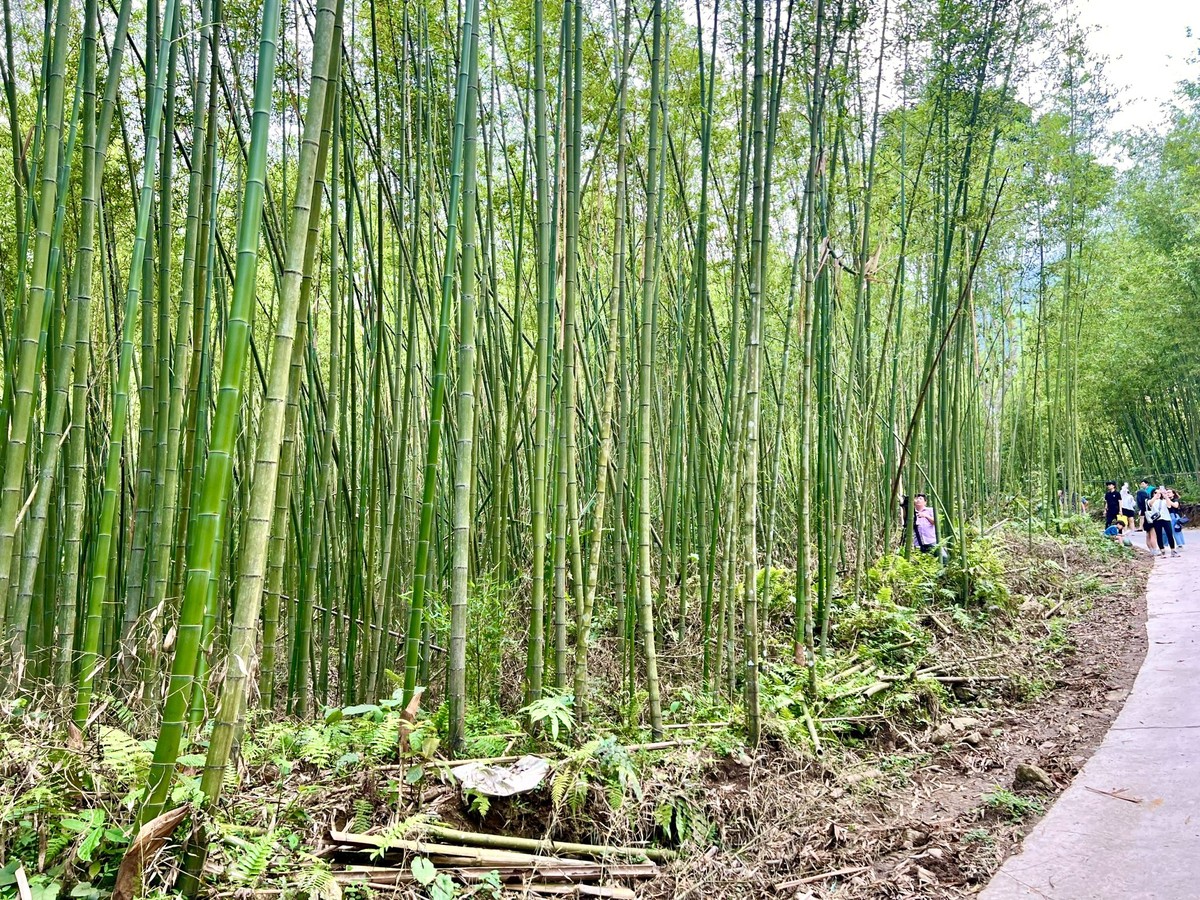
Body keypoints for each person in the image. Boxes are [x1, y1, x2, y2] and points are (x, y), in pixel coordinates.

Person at [1147, 487, 1179, 558]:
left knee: (1169, 534)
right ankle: (1162, 551)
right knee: (1159, 535)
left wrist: (1165, 496)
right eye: (1155, 492)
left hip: (1166, 518)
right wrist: (1156, 495)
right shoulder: (1150, 501)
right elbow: (1150, 504)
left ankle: (1173, 550)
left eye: (1159, 493)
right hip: (1157, 520)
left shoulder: (1164, 501)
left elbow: (1169, 505)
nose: (1158, 494)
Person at [1137, 479, 1157, 552]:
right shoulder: (1148, 501)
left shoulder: (1140, 504)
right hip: (1150, 519)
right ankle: (1155, 550)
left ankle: (1151, 550)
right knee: (1153, 535)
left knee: (1148, 535)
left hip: (1145, 519)